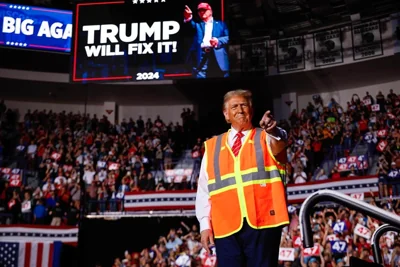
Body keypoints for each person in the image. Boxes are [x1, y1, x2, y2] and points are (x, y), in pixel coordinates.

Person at [195, 89, 289, 267]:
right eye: (234, 106)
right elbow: (204, 190)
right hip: (225, 227)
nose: (240, 110)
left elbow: (280, 144)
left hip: (264, 223)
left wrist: (272, 129)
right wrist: (204, 225)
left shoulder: (267, 135)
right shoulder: (212, 146)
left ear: (251, 110)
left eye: (244, 105)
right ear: (226, 114)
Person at [183, 2, 229, 78]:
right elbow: (188, 27)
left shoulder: (221, 24)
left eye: (204, 10)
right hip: (201, 56)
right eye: (199, 11)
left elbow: (228, 37)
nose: (201, 12)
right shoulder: (197, 25)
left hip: (217, 56)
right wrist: (188, 18)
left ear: (210, 11)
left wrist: (218, 40)